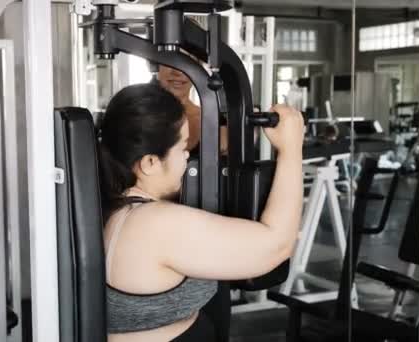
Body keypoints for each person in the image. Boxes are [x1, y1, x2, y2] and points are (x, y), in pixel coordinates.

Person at [98, 83, 304, 342]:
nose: (187, 158)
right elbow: (277, 245)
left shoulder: (121, 210)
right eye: (183, 148)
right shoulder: (153, 224)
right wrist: (292, 149)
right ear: (150, 163)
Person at [156, 65, 228, 155]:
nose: (178, 73)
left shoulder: (217, 120)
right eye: (170, 63)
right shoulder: (138, 114)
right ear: (156, 65)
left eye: (185, 60)